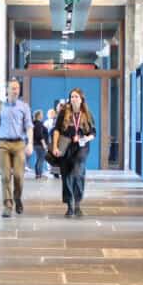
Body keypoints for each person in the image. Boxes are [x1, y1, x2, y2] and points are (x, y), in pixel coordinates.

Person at [0, 78, 34, 218]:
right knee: (4, 176)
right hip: (3, 144)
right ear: (7, 90)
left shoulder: (24, 107)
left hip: (19, 145)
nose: (16, 90)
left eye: (17, 88)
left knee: (18, 176)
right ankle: (8, 205)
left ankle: (17, 198)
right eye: (13, 88)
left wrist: (30, 143)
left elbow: (29, 126)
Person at [53, 88, 96, 217]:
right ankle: (70, 205)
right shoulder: (63, 113)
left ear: (81, 99)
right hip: (65, 147)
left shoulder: (87, 114)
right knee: (66, 176)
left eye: (76, 97)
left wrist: (85, 138)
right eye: (72, 97)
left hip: (82, 148)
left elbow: (93, 133)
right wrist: (55, 146)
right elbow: (56, 130)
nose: (73, 99)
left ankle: (77, 203)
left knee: (78, 173)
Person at [32, 110, 50, 179]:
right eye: (41, 114)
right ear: (39, 116)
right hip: (40, 144)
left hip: (36, 144)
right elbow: (40, 135)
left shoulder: (35, 123)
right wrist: (44, 144)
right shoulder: (38, 124)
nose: (43, 115)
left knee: (39, 159)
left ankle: (38, 174)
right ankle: (39, 174)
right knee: (41, 159)